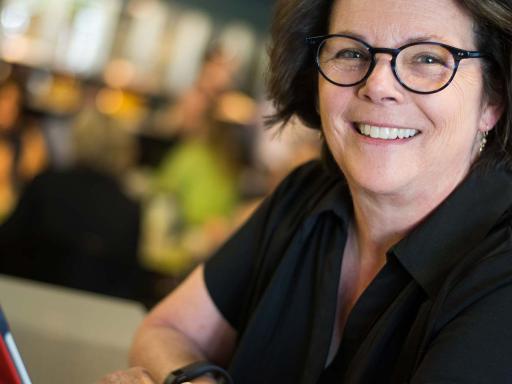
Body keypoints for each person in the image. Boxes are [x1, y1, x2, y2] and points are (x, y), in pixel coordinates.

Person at [99, 0, 512, 382]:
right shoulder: (304, 197)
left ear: (493, 99)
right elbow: (164, 330)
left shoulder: (501, 271)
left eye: (426, 58)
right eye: (351, 52)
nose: (378, 85)